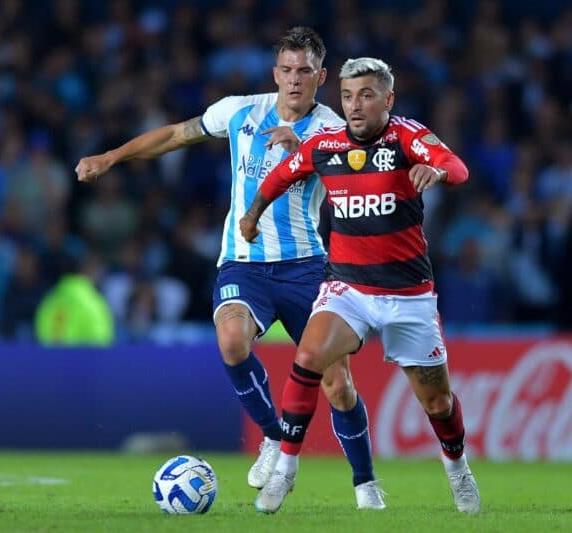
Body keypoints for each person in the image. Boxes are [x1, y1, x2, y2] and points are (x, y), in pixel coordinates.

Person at [75, 28, 383, 508]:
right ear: (274, 72)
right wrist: (112, 156)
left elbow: (364, 169)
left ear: (321, 77)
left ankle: (366, 484)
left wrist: (306, 152)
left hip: (308, 269)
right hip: (244, 263)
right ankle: (275, 439)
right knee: (232, 340)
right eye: (286, 69)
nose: (295, 80)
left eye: (305, 71)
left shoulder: (333, 129)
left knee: (338, 384)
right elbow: (178, 134)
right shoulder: (240, 110)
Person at [240, 57, 481, 514]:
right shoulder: (325, 146)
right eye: (348, 96)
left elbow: (457, 166)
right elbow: (281, 174)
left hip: (408, 294)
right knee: (308, 356)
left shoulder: (407, 137)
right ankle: (285, 471)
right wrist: (252, 216)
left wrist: (439, 172)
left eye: (366, 95)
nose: (355, 105)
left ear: (387, 99)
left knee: (438, 401)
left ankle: (457, 468)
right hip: (347, 288)